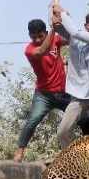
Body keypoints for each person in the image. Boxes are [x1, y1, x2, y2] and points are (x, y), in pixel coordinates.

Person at [53, 4, 89, 149]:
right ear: (85, 25)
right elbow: (57, 25)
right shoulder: (75, 37)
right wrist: (56, 8)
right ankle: (75, 157)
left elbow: (74, 30)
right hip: (79, 94)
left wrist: (64, 14)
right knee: (62, 132)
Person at [13, 18, 69, 162]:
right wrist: (53, 29)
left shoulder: (55, 39)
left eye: (40, 36)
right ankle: (19, 151)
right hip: (43, 95)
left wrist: (62, 20)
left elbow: (70, 39)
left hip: (63, 93)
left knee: (82, 118)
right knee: (33, 120)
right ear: (29, 36)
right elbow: (42, 50)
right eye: (34, 37)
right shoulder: (30, 50)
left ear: (45, 32)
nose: (37, 39)